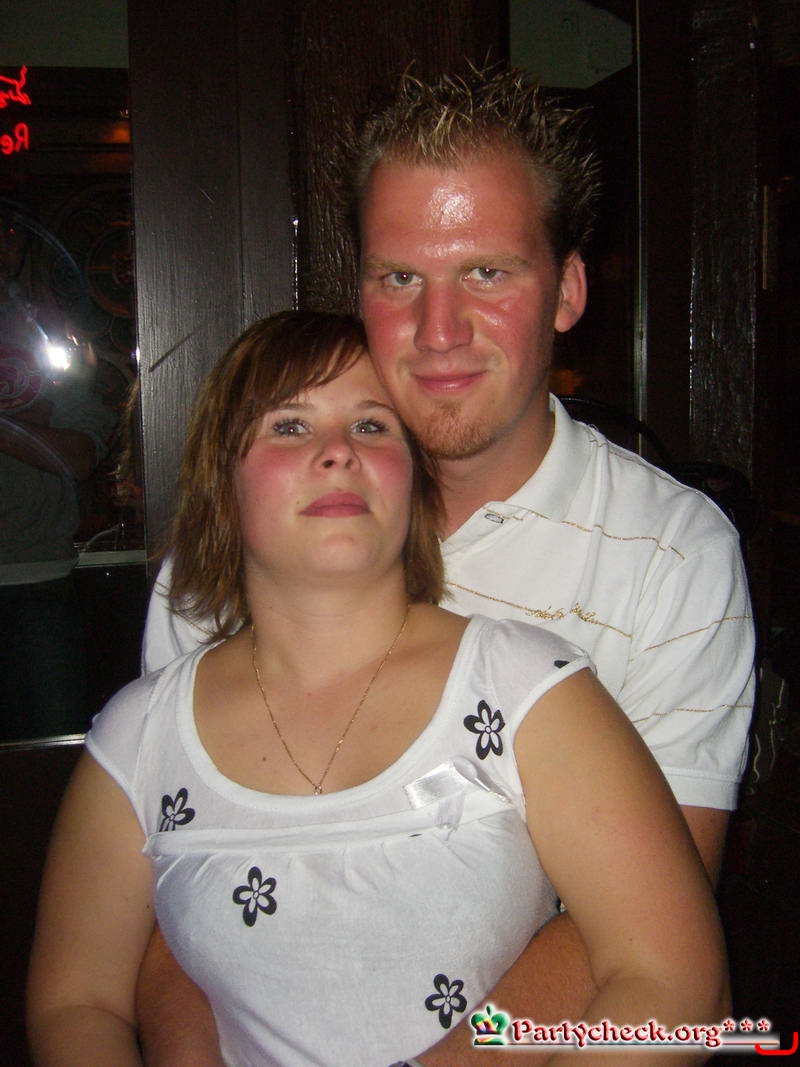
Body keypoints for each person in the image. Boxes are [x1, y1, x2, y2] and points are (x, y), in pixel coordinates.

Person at [139, 67, 753, 1063]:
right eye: (398, 279)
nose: (437, 333)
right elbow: (170, 902)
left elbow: (651, 936)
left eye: (486, 273)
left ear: (568, 290)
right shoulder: (226, 564)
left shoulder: (672, 555)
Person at [28, 310, 729, 1066]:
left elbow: (673, 983)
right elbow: (78, 1001)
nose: (338, 452)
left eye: (371, 426)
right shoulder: (138, 735)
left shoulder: (530, 691)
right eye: (290, 426)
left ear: (417, 483)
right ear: (221, 483)